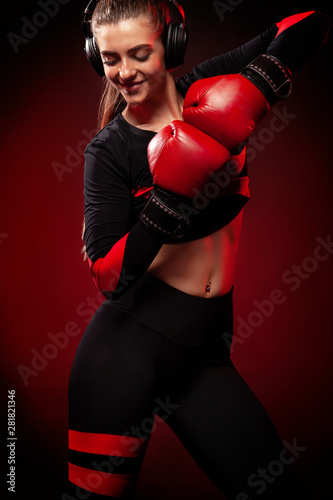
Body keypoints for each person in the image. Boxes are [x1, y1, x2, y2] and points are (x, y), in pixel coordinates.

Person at [66, 1, 331, 499]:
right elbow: (107, 275)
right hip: (123, 356)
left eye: (139, 53)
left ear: (171, 42)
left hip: (204, 353)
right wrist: (169, 198)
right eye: (110, 59)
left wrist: (260, 82)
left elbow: (309, 24)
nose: (124, 73)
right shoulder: (109, 151)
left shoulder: (208, 86)